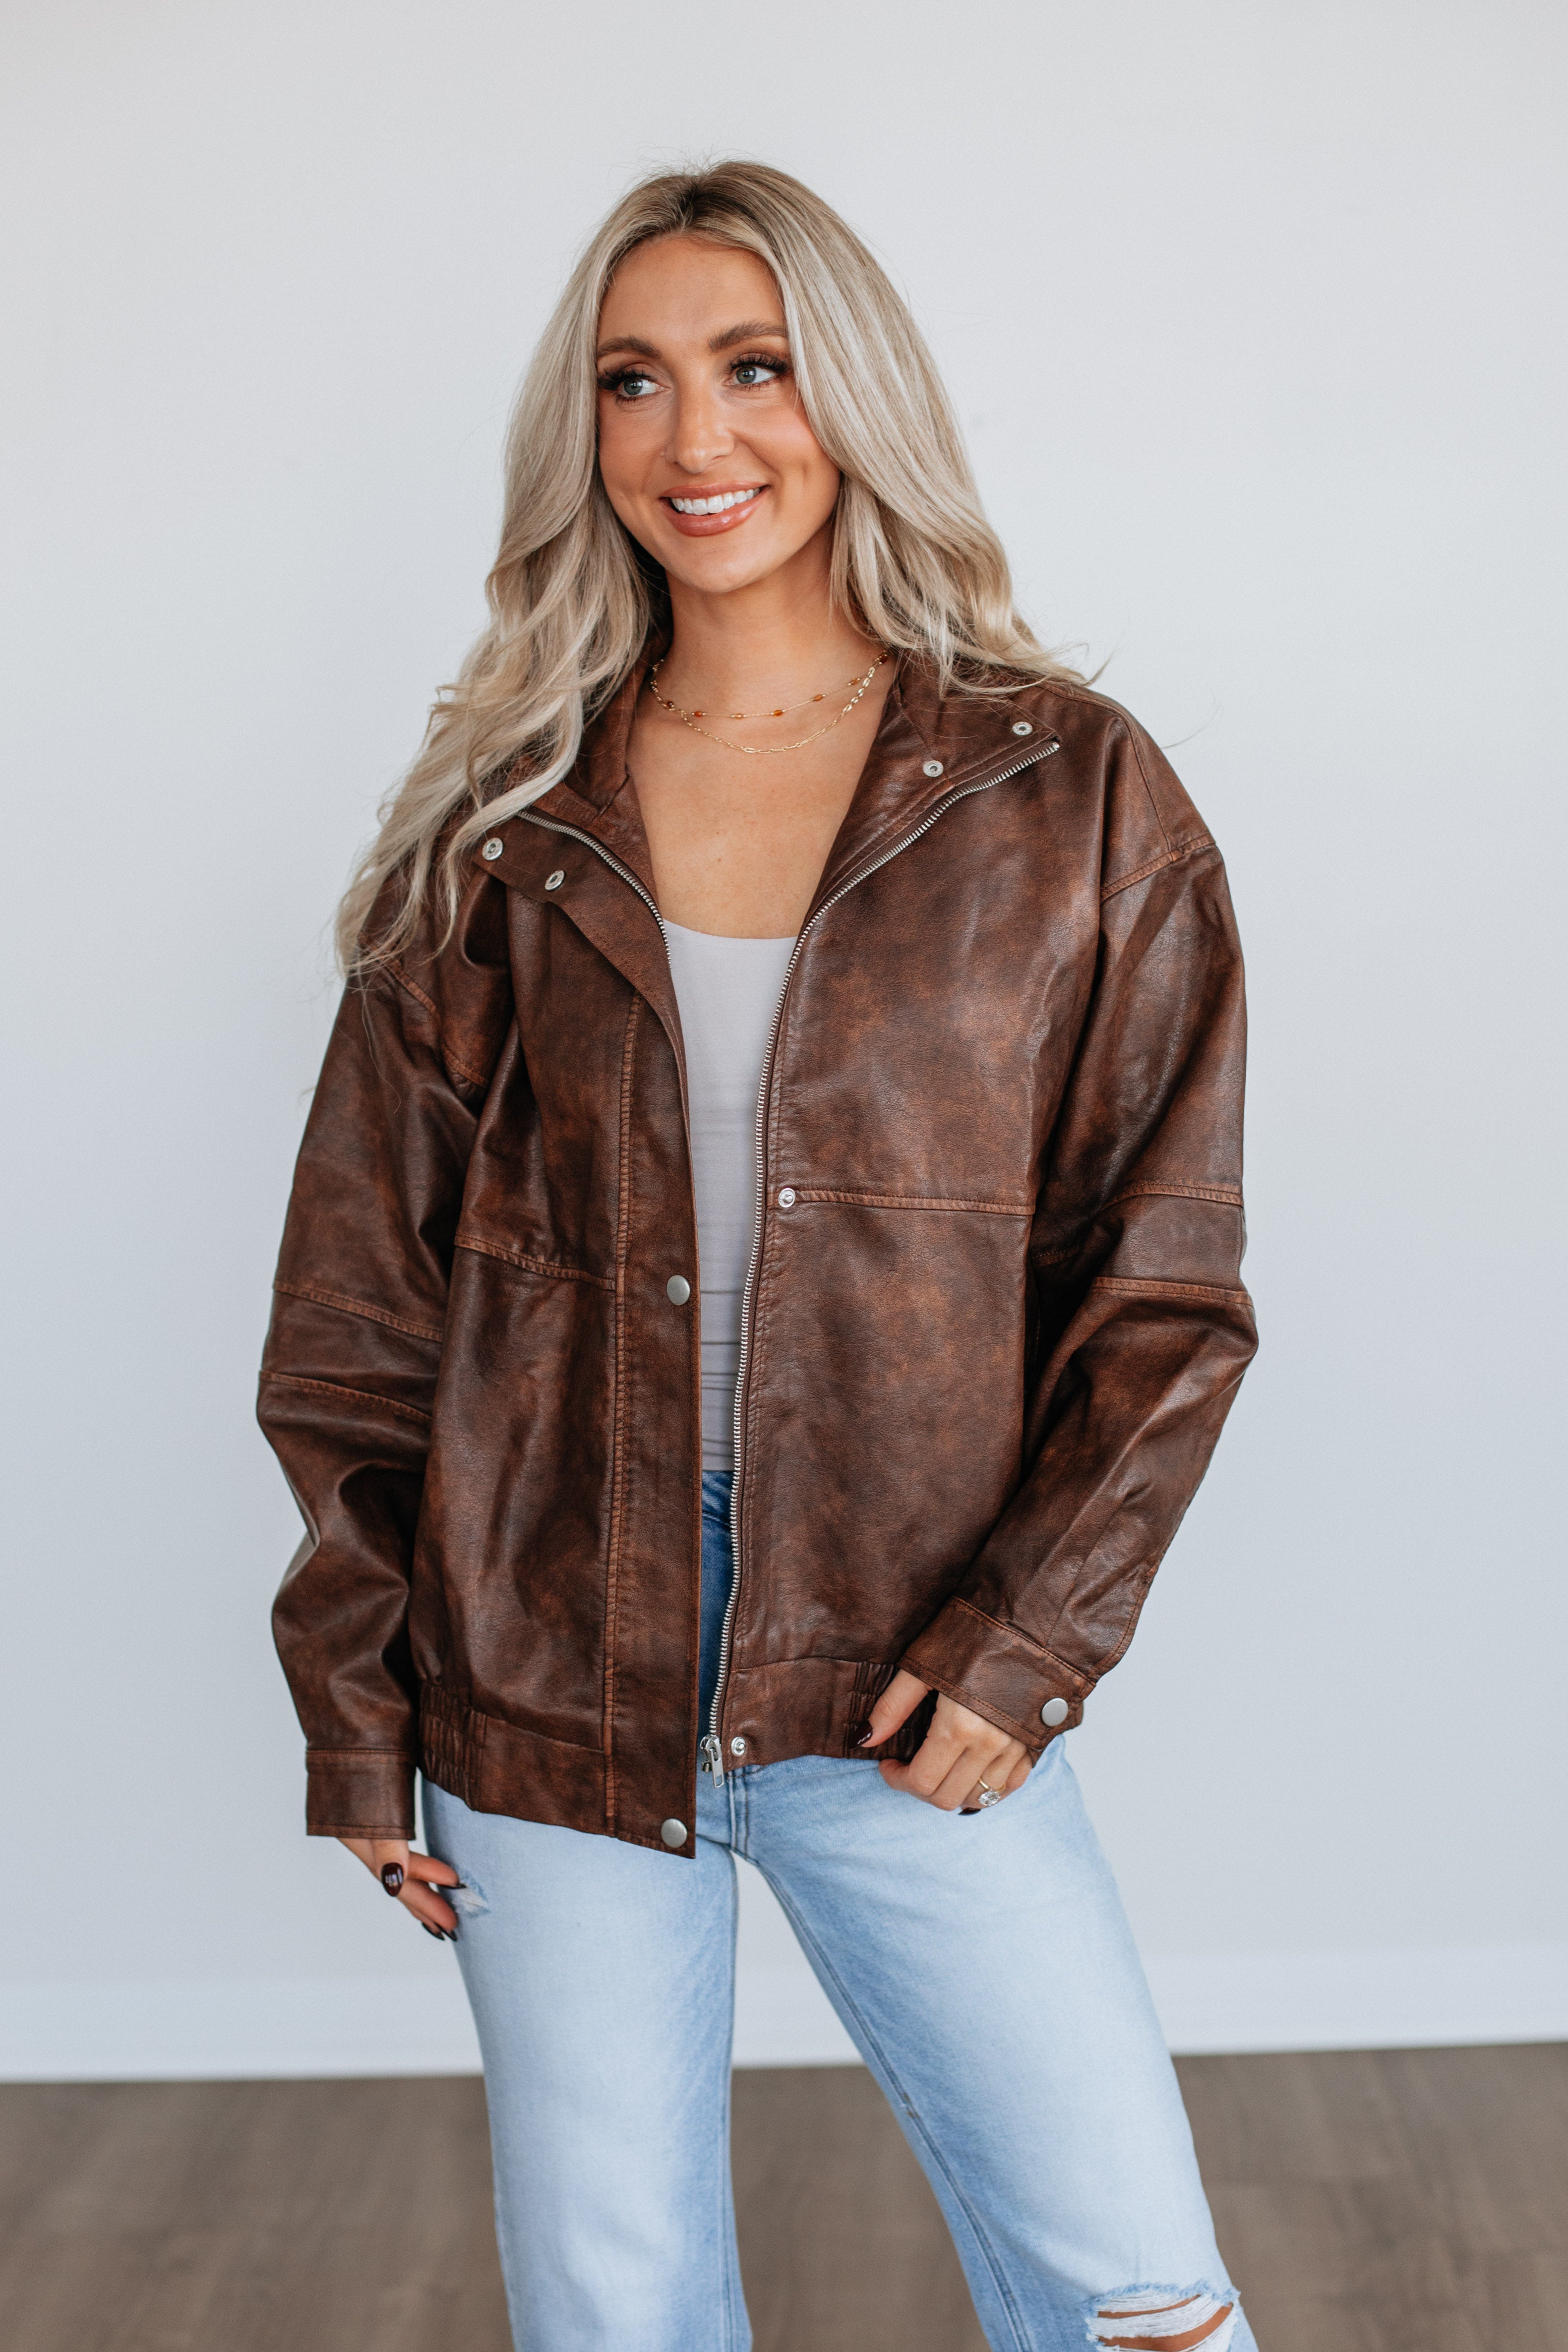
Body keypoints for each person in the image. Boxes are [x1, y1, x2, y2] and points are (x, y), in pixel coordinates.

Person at [259, 161, 1260, 2352]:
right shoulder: (507, 821)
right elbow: (358, 1317)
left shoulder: (1066, 796)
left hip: (905, 1652)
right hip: (542, 1658)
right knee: (612, 2311)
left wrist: (1025, 1643)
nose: (693, 438)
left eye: (755, 367)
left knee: (1137, 2296)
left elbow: (1163, 1285)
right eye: (632, 382)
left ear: (854, 396)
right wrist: (359, 1706)